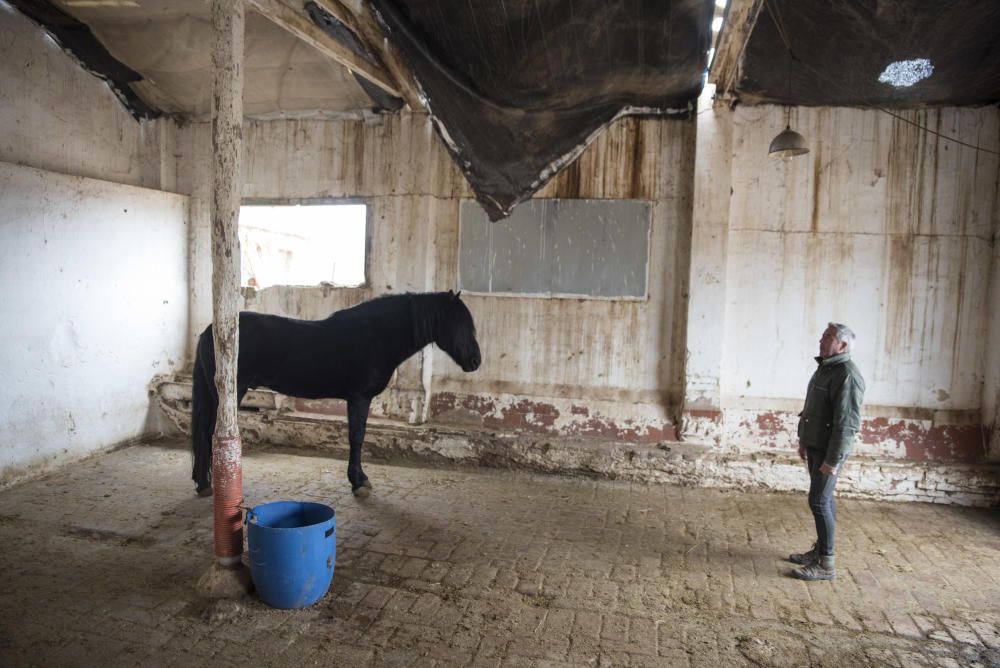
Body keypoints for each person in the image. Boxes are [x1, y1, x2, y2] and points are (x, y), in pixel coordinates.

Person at [789, 322, 865, 581]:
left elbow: (847, 424)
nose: (821, 340)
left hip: (828, 450)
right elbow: (813, 408)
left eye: (828, 337)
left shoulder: (847, 374)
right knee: (823, 499)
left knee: (819, 501)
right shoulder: (826, 368)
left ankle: (826, 565)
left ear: (842, 345)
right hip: (816, 445)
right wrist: (803, 439)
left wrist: (833, 460)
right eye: (822, 335)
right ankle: (820, 552)